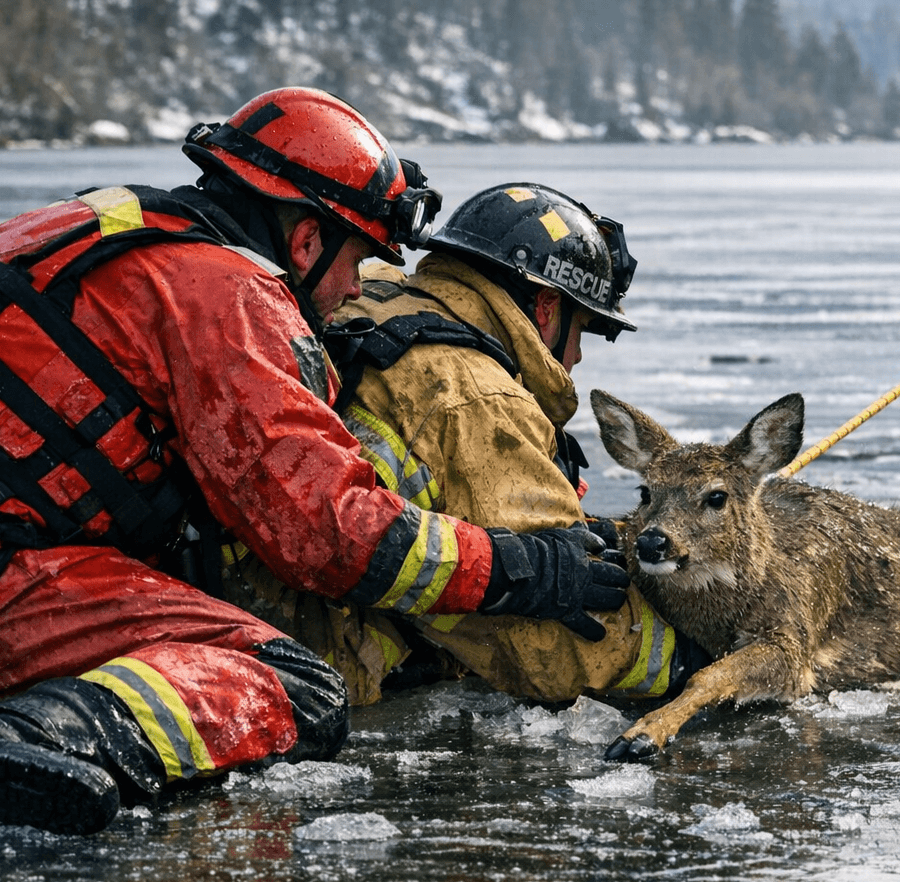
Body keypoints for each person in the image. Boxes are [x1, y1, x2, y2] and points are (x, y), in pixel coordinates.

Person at [0, 87, 624, 834]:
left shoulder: (92, 224)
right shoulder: (231, 294)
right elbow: (334, 538)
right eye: (359, 260)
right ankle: (21, 741)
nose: (354, 291)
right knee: (294, 686)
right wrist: (523, 569)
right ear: (308, 240)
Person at [226, 182, 707, 705]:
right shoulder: (476, 399)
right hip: (311, 652)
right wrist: (698, 661)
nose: (578, 360)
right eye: (584, 330)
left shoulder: (371, 293)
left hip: (240, 587)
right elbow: (553, 642)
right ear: (546, 308)